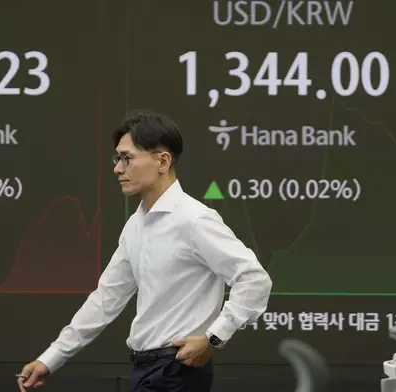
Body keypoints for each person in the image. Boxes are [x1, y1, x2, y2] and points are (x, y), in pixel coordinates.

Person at [17, 110, 272, 392]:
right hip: (147, 370)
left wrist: (213, 338)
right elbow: (106, 298)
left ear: (162, 161)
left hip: (178, 370)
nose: (117, 168)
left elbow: (254, 278)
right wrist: (50, 358)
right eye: (117, 158)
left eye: (126, 158)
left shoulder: (194, 219)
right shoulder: (135, 225)